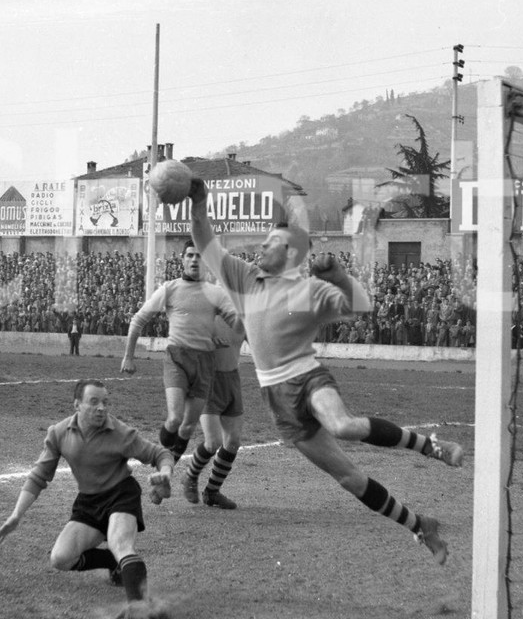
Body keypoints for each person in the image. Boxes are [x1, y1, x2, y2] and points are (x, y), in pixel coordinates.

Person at [188, 178, 465, 565]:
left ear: (290, 253)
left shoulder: (310, 291)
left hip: (306, 376)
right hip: (276, 396)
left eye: (270, 243)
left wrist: (337, 277)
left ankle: (431, 447)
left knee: (344, 426)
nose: (261, 247)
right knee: (349, 478)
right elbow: (204, 241)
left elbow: (360, 305)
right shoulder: (244, 279)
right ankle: (420, 526)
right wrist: (199, 202)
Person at [0, 379, 174, 619]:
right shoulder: (59, 433)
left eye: (105, 402)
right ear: (77, 404)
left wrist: (165, 473)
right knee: (60, 559)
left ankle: (141, 608)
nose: (102, 408)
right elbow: (38, 476)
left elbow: (160, 454)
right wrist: (16, 515)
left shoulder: (120, 433)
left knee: (121, 543)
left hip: (121, 494)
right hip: (88, 501)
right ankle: (113, 562)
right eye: (94, 401)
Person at [120, 240, 239, 464]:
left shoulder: (216, 294)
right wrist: (129, 356)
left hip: (204, 362)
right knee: (174, 420)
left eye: (199, 256)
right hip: (177, 358)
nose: (195, 260)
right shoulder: (170, 288)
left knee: (188, 426)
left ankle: (167, 467)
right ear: (183, 259)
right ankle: (161, 457)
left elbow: (237, 323)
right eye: (190, 255)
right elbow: (138, 320)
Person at [182, 315, 246, 510]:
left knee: (233, 441)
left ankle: (212, 492)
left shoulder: (243, 319)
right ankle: (190, 477)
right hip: (208, 381)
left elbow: (263, 347)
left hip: (232, 381)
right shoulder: (206, 317)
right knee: (213, 442)